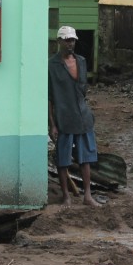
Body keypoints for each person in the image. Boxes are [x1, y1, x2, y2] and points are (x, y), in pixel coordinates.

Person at [48, 25, 100, 207]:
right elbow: (49, 98)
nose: (70, 43)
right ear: (59, 41)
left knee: (86, 158)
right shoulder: (52, 65)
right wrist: (52, 124)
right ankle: (66, 196)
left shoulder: (82, 61)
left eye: (73, 40)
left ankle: (88, 196)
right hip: (63, 118)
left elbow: (83, 90)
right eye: (67, 40)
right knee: (63, 159)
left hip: (83, 116)